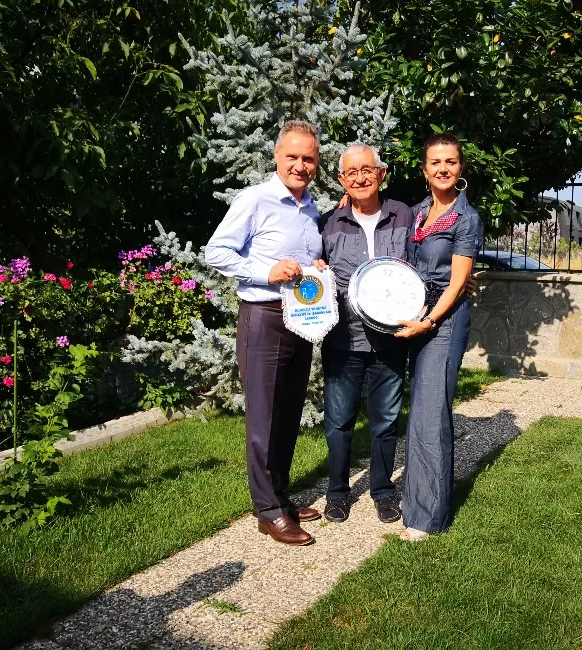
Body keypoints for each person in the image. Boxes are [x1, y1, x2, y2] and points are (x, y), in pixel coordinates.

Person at [204, 120, 324, 547]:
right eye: (292, 156)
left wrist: (316, 267)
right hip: (263, 318)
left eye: (308, 158)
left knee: (288, 413)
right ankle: (267, 511)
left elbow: (305, 259)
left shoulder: (311, 207)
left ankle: (281, 497)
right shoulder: (255, 199)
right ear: (276, 156)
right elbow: (216, 251)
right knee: (264, 417)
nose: (300, 165)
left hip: (299, 319)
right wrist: (265, 271)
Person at [313, 143, 411, 525]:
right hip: (343, 341)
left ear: (381, 173)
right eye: (351, 172)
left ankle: (383, 491)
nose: (360, 177)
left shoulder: (404, 214)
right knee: (339, 422)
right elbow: (309, 265)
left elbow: (428, 255)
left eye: (367, 169)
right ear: (341, 179)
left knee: (385, 422)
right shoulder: (327, 223)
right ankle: (337, 493)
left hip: (391, 341)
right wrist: (313, 265)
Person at [394, 132, 484, 541]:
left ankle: (427, 517)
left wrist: (428, 321)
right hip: (416, 314)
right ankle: (415, 500)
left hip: (442, 321)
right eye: (436, 162)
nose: (443, 168)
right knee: (420, 410)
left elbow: (458, 282)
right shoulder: (416, 212)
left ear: (460, 168)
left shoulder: (467, 217)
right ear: (425, 169)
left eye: (451, 161)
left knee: (431, 413)